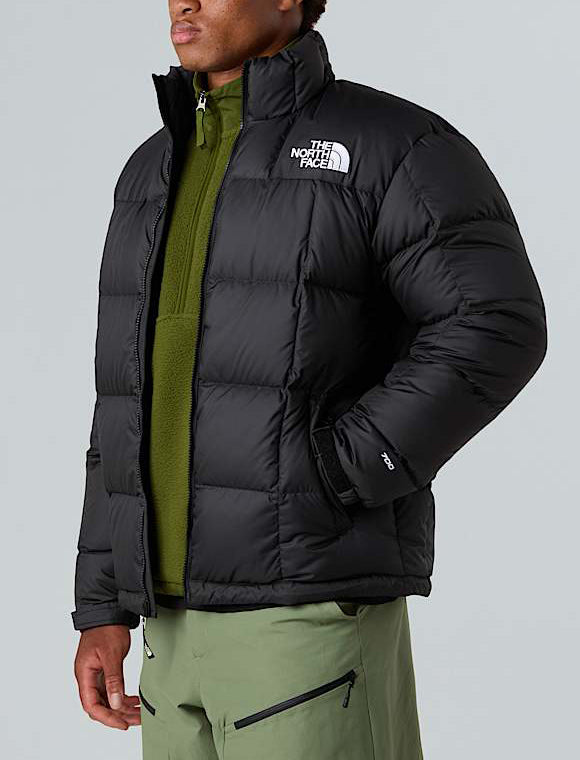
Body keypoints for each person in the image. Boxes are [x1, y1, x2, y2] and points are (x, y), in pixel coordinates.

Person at [72, 1, 547, 758]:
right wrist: (102, 602)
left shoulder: (390, 146)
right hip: (167, 625)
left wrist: (341, 469)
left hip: (307, 612)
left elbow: (495, 323)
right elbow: (126, 395)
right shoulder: (151, 168)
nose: (182, 3)